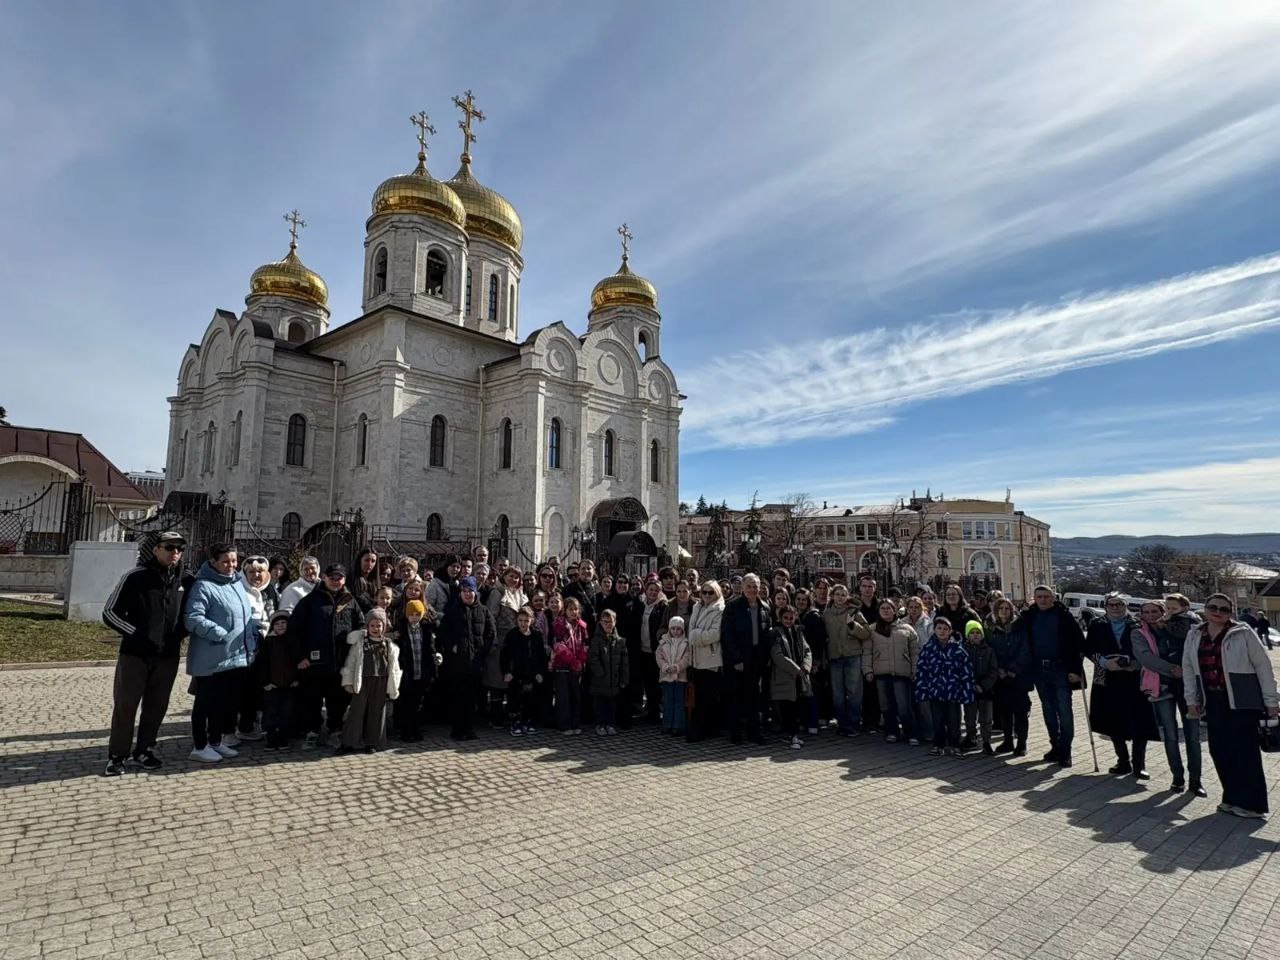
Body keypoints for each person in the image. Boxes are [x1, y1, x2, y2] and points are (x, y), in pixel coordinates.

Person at [1183, 593, 1279, 819]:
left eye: (1224, 609)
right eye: (1213, 607)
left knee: (1244, 753)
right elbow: (1188, 668)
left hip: (1243, 700)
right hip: (1213, 699)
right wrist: (1191, 699)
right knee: (1220, 750)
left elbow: (1263, 667)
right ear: (1205, 609)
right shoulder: (1195, 634)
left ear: (1231, 613)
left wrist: (1271, 701)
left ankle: (1252, 805)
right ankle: (1232, 798)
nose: (1218, 612)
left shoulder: (1243, 632)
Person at [101, 531, 188, 776]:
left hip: (168, 656)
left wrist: (179, 633)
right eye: (169, 548)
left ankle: (144, 749)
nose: (175, 553)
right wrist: (137, 634)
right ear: (156, 549)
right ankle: (118, 756)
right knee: (126, 706)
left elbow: (189, 612)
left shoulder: (184, 578)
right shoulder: (135, 577)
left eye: (180, 549)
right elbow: (110, 613)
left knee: (157, 706)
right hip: (135, 655)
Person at [185, 544, 260, 763]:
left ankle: (216, 742)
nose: (231, 566)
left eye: (234, 561)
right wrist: (218, 633)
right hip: (211, 656)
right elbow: (192, 617)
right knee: (205, 704)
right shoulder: (203, 585)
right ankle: (200, 745)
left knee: (223, 703)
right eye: (226, 561)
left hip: (234, 657)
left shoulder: (236, 583)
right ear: (214, 562)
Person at [288, 563, 365, 750]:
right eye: (332, 577)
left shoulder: (350, 601)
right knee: (312, 700)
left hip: (340, 661)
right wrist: (300, 657)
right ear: (324, 578)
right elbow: (295, 630)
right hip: (314, 662)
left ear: (344, 580)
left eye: (339, 578)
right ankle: (313, 731)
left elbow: (361, 624)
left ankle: (334, 730)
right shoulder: (310, 601)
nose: (335, 581)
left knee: (337, 700)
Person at [1131, 599, 1203, 795]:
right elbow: (1146, 658)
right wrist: (1173, 669)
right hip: (1162, 686)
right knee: (1170, 735)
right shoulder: (1139, 633)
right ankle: (1177, 777)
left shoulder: (1179, 626)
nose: (1151, 615)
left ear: (1164, 611)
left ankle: (1196, 780)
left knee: (1192, 736)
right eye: (1146, 612)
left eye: (1155, 611)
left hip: (1187, 685)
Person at [1085, 593, 1159, 780]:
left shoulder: (1137, 623)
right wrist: (1102, 661)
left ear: (1126, 605)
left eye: (1119, 604)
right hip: (1107, 677)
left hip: (1134, 679)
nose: (1115, 607)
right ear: (1106, 605)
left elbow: (1150, 648)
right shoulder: (1097, 624)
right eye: (1111, 604)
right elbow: (1088, 649)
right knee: (1112, 721)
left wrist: (1135, 663)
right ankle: (1123, 761)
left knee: (1139, 722)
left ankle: (1139, 764)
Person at [1014, 585, 1084, 767]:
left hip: (1061, 668)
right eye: (1039, 597)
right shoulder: (1029, 616)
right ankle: (1056, 746)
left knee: (1065, 711)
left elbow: (1079, 644)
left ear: (1053, 598)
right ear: (1034, 598)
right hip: (1039, 669)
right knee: (1048, 710)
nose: (1043, 600)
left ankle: (1066, 750)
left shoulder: (1064, 616)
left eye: (1046, 596)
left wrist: (1076, 670)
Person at [339, 609, 401, 754]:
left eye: (378, 626)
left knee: (377, 712)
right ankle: (349, 742)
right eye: (372, 626)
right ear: (367, 627)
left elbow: (394, 667)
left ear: (384, 627)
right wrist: (348, 681)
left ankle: (373, 742)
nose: (375, 629)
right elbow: (352, 662)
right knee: (356, 711)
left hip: (381, 681)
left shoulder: (388, 644)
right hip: (363, 680)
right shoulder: (360, 643)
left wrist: (393, 685)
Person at [440, 577, 494, 741]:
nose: (467, 594)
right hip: (457, 662)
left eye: (470, 590)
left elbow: (491, 633)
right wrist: (451, 646)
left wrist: (483, 650)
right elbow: (443, 633)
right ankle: (457, 729)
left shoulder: (483, 610)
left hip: (475, 662)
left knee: (472, 697)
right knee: (457, 696)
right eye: (464, 591)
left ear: (475, 592)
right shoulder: (453, 611)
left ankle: (469, 728)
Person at [720, 573, 771, 745]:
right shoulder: (733, 606)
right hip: (738, 660)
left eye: (755, 586)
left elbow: (766, 634)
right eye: (749, 586)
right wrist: (736, 659)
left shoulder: (764, 607)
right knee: (735, 697)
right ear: (742, 588)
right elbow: (727, 634)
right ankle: (735, 733)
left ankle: (754, 732)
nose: (752, 589)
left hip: (756, 658)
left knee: (754, 698)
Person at [914, 617, 974, 756]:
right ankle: (938, 744)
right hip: (935, 691)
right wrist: (922, 689)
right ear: (934, 630)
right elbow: (922, 670)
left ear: (950, 631)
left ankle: (954, 744)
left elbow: (966, 671)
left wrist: (967, 691)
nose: (942, 631)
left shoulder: (958, 650)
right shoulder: (928, 649)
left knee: (954, 720)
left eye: (945, 629)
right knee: (937, 720)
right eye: (939, 628)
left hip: (953, 691)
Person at [865, 598, 920, 746]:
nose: (886, 611)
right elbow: (867, 652)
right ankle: (891, 731)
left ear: (895, 610)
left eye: (889, 608)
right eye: (882, 608)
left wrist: (915, 670)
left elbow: (915, 652)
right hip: (881, 674)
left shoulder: (907, 629)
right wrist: (868, 670)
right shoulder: (872, 629)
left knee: (904, 707)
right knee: (886, 706)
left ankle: (911, 733)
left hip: (902, 674)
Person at [986, 597, 1031, 756]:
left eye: (1007, 608)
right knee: (1005, 710)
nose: (1004, 611)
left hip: (1018, 675)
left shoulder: (1020, 626)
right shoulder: (992, 629)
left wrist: (1013, 669)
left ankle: (1022, 743)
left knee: (1020, 711)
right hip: (1001, 676)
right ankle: (1008, 741)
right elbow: (990, 650)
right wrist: (999, 669)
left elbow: (1025, 649)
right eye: (1001, 608)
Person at [484, 566, 525, 726]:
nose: (513, 579)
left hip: (515, 642)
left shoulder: (519, 593)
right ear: (504, 576)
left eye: (516, 577)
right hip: (499, 640)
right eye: (510, 576)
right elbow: (491, 616)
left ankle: (509, 713)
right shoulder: (497, 592)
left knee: (510, 678)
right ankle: (495, 716)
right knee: (496, 680)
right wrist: (493, 639)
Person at [822, 584, 865, 737]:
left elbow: (866, 633)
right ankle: (842, 724)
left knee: (854, 692)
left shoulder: (853, 611)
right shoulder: (826, 614)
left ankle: (854, 723)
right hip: (835, 657)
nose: (840, 598)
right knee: (838, 694)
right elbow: (824, 637)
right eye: (837, 594)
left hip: (852, 656)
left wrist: (852, 625)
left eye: (843, 595)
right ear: (832, 596)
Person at [601, 574, 644, 728]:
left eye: (626, 582)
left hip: (630, 648)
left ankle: (626, 717)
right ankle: (612, 717)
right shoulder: (607, 601)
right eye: (619, 582)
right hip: (611, 647)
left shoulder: (635, 602)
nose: (622, 585)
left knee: (627, 682)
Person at [395, 599, 439, 741]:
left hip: (422, 671)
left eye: (417, 614)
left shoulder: (426, 630)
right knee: (406, 702)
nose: (414, 617)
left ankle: (416, 729)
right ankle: (406, 731)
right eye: (411, 614)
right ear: (407, 615)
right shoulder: (402, 631)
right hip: (407, 672)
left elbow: (431, 650)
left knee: (418, 702)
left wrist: (434, 666)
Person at [686, 580, 725, 742]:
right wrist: (694, 634)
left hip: (710, 658)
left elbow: (715, 634)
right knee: (700, 695)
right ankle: (708, 727)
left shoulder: (720, 610)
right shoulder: (697, 607)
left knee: (707, 696)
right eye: (705, 592)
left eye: (711, 592)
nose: (707, 595)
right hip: (696, 657)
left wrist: (694, 635)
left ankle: (702, 729)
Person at [770, 605, 813, 750]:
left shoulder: (799, 632)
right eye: (785, 618)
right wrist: (796, 670)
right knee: (786, 708)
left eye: (791, 617)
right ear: (780, 618)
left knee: (797, 707)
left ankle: (794, 734)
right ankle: (791, 735)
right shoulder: (776, 633)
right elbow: (778, 656)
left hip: (799, 677)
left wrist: (806, 667)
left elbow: (807, 650)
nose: (788, 620)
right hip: (784, 677)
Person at [501, 606, 545, 736]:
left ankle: (529, 721)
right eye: (520, 620)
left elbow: (541, 656)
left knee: (530, 699)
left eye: (526, 620)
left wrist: (540, 672)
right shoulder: (512, 635)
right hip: (516, 673)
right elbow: (504, 655)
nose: (523, 624)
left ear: (531, 620)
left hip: (531, 673)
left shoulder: (536, 635)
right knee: (515, 699)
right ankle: (516, 722)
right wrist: (506, 672)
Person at [258, 611, 298, 749]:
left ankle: (283, 738)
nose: (280, 626)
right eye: (277, 624)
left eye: (283, 623)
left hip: (288, 685)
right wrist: (265, 682)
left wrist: (296, 679)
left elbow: (297, 662)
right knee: (270, 713)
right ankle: (271, 739)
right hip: (272, 686)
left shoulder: (293, 641)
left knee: (286, 713)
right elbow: (262, 664)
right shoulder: (268, 642)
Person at [551, 596, 589, 734]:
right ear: (565, 610)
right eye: (570, 609)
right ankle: (563, 725)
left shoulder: (582, 626)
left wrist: (580, 661)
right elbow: (558, 645)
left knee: (575, 695)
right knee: (563, 696)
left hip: (577, 667)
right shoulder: (558, 624)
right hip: (562, 665)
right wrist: (572, 660)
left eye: (576, 609)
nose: (573, 612)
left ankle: (575, 723)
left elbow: (585, 645)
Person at [588, 608, 629, 736]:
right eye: (605, 622)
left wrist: (624, 679)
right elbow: (593, 658)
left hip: (614, 680)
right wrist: (600, 673)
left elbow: (624, 662)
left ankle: (610, 724)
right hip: (600, 680)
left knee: (612, 705)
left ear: (615, 622)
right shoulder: (596, 640)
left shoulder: (620, 641)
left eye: (610, 622)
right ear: (600, 622)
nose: (608, 625)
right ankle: (600, 724)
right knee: (599, 705)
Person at [794, 588, 828, 736]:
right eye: (798, 599)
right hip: (797, 660)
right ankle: (803, 721)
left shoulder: (813, 616)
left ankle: (812, 722)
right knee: (801, 692)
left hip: (811, 659)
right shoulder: (794, 615)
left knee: (811, 692)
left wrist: (816, 661)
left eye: (804, 599)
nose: (801, 602)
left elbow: (819, 640)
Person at [961, 621, 999, 754]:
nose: (975, 635)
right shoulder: (962, 650)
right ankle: (971, 737)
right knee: (969, 717)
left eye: (978, 633)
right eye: (972, 633)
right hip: (969, 688)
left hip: (985, 689)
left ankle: (986, 741)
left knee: (986, 718)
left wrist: (984, 685)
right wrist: (968, 684)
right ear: (967, 635)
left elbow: (993, 671)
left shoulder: (989, 651)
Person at [638, 578, 669, 724]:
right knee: (646, 682)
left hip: (655, 650)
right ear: (646, 590)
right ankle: (649, 709)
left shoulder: (663, 606)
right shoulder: (640, 603)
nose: (653, 592)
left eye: (656, 590)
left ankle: (655, 712)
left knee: (655, 683)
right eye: (651, 589)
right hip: (641, 649)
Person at [655, 616, 692, 735]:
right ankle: (667, 724)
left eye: (678, 629)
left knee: (679, 702)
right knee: (667, 701)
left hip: (680, 677)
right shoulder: (663, 641)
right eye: (673, 628)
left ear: (682, 630)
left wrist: (677, 667)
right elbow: (659, 656)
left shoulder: (686, 643)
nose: (675, 631)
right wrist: (665, 667)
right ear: (669, 629)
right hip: (667, 676)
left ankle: (678, 725)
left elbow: (687, 658)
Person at [350, 548, 381, 612]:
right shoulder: (350, 580)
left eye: (373, 561)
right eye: (367, 560)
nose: (370, 564)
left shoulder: (376, 582)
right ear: (360, 560)